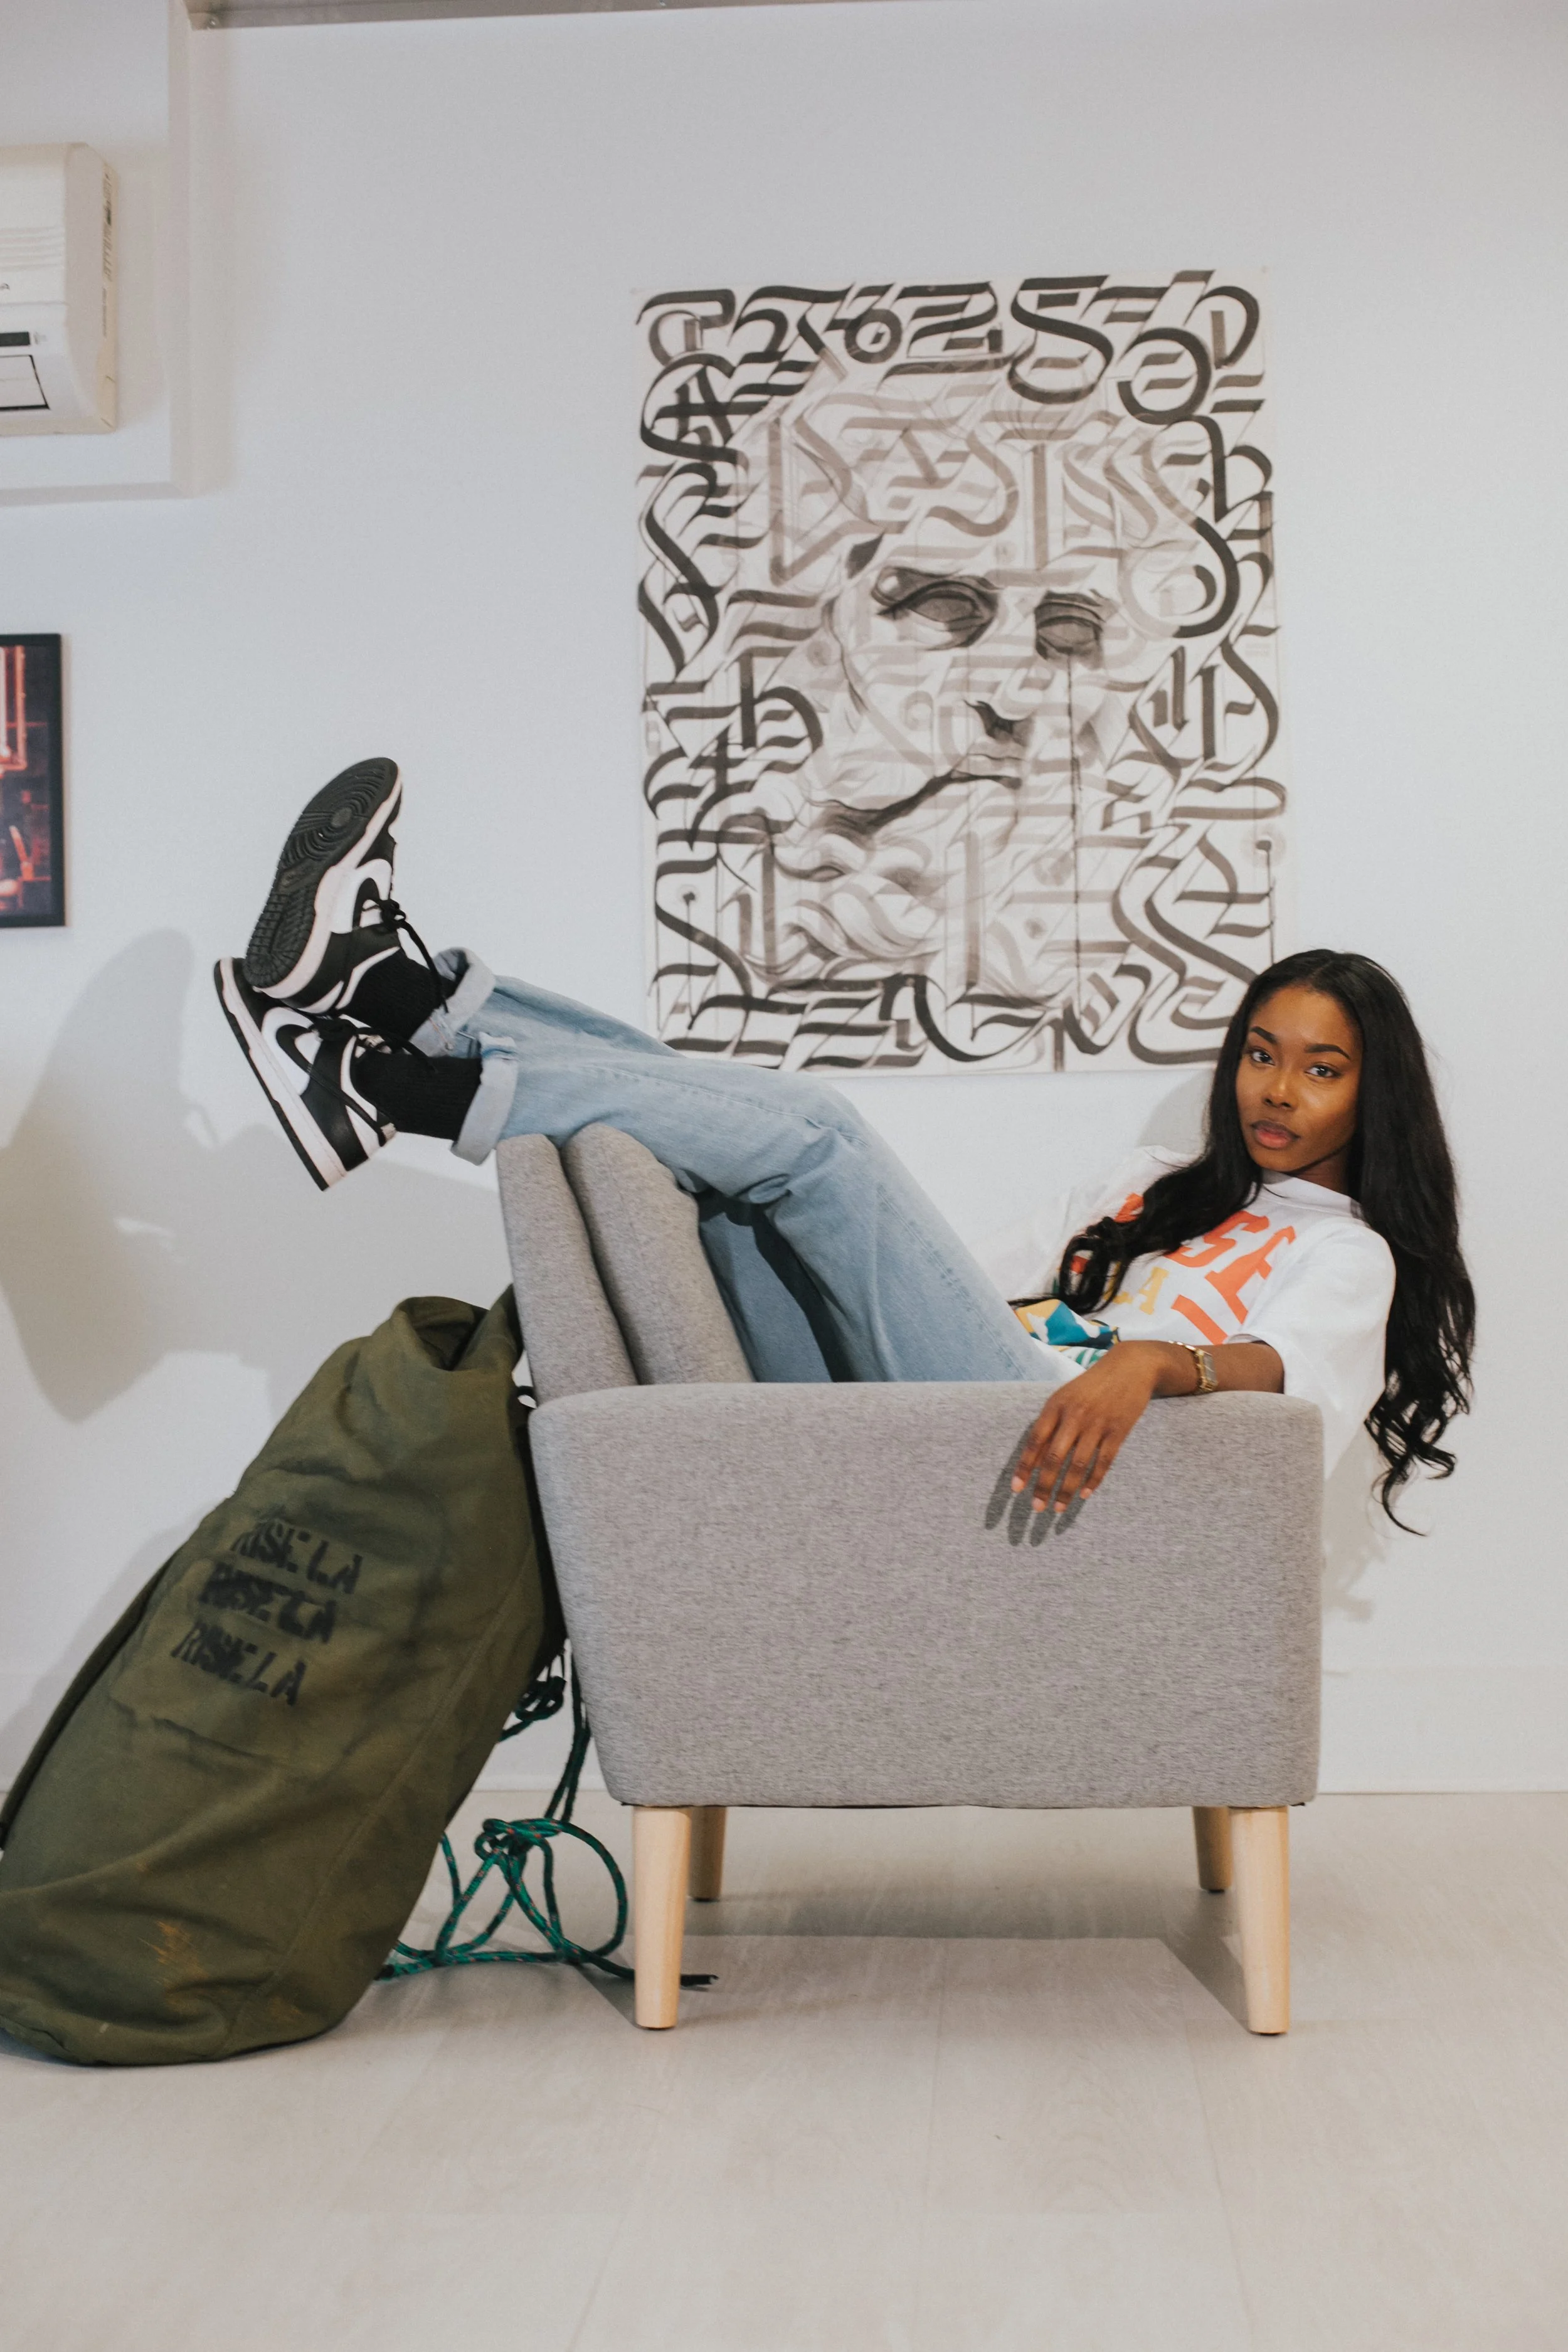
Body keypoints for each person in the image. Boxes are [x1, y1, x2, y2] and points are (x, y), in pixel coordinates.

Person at [215, 760, 1473, 1527]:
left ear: (1374, 1098)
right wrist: (856, 1252)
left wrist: (1150, 1366)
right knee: (715, 1133)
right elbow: (962, 1273)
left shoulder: (1350, 1256)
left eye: (1319, 1069)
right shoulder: (1149, 1187)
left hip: (1054, 1458)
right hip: (954, 1392)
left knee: (812, 1135)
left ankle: (391, 1050)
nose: (1276, 1089)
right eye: (1259, 1052)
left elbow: (1290, 1384)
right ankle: (389, 1021)